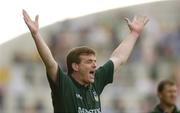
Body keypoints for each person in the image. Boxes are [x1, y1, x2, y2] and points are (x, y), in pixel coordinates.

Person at [22, 9, 149, 113]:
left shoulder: (96, 81)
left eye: (94, 61)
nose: (94, 64)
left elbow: (118, 58)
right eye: (89, 61)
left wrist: (134, 34)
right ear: (75, 66)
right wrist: (36, 35)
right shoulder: (64, 84)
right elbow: (49, 61)